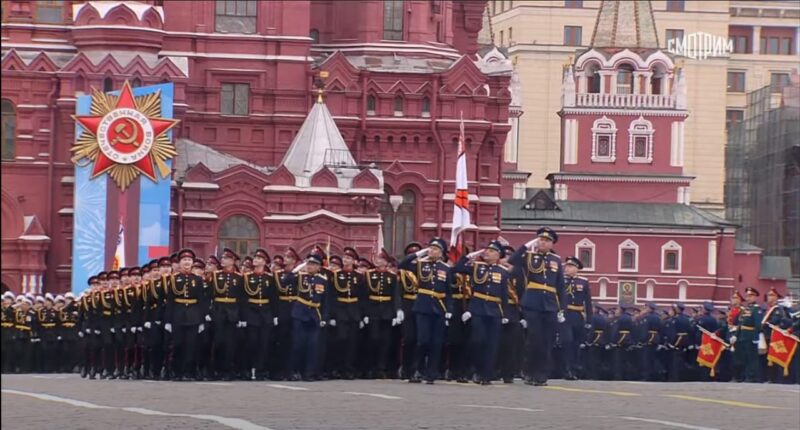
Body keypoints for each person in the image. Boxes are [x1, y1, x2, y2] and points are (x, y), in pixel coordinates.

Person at [508, 227, 566, 386]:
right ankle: (529, 371)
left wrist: (562, 308)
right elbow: (512, 260)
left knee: (547, 340)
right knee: (534, 339)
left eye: (546, 240)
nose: (543, 242)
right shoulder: (528, 257)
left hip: (550, 304)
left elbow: (560, 286)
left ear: (551, 244)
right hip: (532, 302)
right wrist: (526, 246)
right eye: (541, 239)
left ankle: (542, 374)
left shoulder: (556, 260)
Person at [452, 240, 510, 385]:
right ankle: (475, 370)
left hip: (495, 310)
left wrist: (505, 314)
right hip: (478, 309)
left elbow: (504, 295)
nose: (487, 253)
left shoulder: (502, 272)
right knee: (477, 341)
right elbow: (457, 268)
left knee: (491, 345)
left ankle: (486, 374)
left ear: (498, 255)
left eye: (491, 251)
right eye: (487, 250)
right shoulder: (477, 267)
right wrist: (469, 256)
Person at [399, 237, 453, 384]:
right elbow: (402, 264)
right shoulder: (420, 265)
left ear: (441, 253)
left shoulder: (446, 269)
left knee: (436, 343)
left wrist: (449, 310)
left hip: (439, 308)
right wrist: (419, 254)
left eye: (435, 249)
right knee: (422, 340)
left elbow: (449, 292)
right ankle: (417, 370)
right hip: (423, 307)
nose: (432, 250)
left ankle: (431, 373)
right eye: (430, 247)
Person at [163, 248, 207, 381]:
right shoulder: (173, 279)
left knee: (191, 346)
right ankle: (176, 372)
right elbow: (170, 301)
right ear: (180, 263)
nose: (187, 262)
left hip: (193, 316)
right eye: (184, 260)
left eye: (189, 260)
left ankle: (189, 372)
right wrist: (168, 321)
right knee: (178, 345)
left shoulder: (198, 279)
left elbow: (201, 301)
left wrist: (201, 320)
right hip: (178, 314)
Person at [284, 253, 329, 381]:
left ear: (319, 267)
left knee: (313, 346)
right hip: (300, 313)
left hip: (315, 315)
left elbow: (326, 302)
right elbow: (285, 281)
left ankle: (309, 373)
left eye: (313, 264)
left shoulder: (323, 280)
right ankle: (294, 371)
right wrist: (297, 269)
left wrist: (324, 318)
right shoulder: (299, 277)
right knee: (298, 344)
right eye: (308, 264)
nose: (310, 266)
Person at [328, 246, 367, 379]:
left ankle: (349, 369)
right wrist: (332, 315)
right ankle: (337, 368)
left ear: (354, 261)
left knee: (352, 342)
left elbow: (363, 297)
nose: (346, 260)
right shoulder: (336, 275)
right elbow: (331, 296)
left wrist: (362, 316)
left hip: (354, 311)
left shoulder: (359, 276)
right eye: (344, 257)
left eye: (349, 258)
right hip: (340, 310)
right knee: (341, 340)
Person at [364, 248, 402, 379]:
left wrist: (397, 311)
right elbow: (365, 295)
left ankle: (381, 368)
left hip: (386, 311)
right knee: (372, 339)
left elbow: (395, 295)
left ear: (385, 262)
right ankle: (370, 367)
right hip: (373, 310)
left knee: (385, 342)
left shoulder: (391, 277)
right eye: (377, 259)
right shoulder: (369, 275)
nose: (377, 261)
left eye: (380, 259)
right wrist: (365, 313)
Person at [209, 248, 245, 380]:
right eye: (222, 258)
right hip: (218, 310)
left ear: (232, 261)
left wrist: (241, 317)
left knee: (230, 343)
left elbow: (242, 298)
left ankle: (227, 370)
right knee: (218, 342)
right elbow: (209, 295)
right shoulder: (215, 275)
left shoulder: (239, 277)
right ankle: (216, 369)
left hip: (232, 312)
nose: (222, 260)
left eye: (226, 258)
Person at [243, 248, 279, 380]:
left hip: (266, 313)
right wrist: (243, 316)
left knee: (264, 343)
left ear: (264, 262)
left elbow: (274, 297)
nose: (255, 260)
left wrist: (275, 316)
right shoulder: (247, 277)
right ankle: (248, 368)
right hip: (251, 312)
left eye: (259, 258)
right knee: (252, 342)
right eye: (255, 258)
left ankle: (261, 370)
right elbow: (243, 298)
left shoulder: (269, 278)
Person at [561, 256, 592, 380]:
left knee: (576, 344)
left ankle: (573, 370)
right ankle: (566, 369)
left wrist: (589, 320)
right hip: (565, 315)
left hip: (578, 316)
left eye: (570, 266)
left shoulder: (583, 282)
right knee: (567, 341)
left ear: (576, 268)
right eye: (566, 266)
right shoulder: (561, 280)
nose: (567, 268)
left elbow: (588, 302)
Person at [498, 245, 524, 383]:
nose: (506, 260)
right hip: (497, 310)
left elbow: (523, 294)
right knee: (496, 343)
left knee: (511, 345)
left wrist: (523, 316)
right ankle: (494, 371)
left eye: (509, 257)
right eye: (504, 257)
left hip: (513, 312)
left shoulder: (519, 276)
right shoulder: (495, 273)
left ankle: (509, 373)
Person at [398, 242, 422, 379]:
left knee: (420, 340)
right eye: (411, 255)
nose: (415, 259)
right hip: (407, 306)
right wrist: (399, 308)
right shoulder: (403, 271)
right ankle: (406, 368)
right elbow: (398, 291)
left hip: (422, 306)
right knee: (409, 339)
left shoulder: (424, 268)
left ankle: (416, 369)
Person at [734, 287, 763, 383]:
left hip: (751, 336)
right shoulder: (745, 309)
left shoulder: (757, 309)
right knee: (744, 357)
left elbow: (758, 325)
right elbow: (740, 324)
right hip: (743, 336)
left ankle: (752, 377)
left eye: (750, 296)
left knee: (752, 358)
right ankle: (745, 376)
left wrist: (755, 337)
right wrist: (736, 335)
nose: (748, 298)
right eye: (747, 296)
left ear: (755, 297)